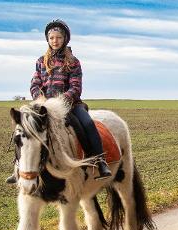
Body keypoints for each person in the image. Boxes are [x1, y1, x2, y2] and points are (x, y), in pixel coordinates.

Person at [6, 19, 111, 184]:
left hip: (70, 105)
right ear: (48, 40)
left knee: (88, 124)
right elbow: (35, 84)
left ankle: (99, 161)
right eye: (52, 38)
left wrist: (61, 102)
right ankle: (18, 167)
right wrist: (40, 99)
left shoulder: (73, 62)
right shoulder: (41, 61)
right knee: (23, 128)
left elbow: (75, 88)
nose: (55, 41)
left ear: (65, 39)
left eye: (58, 38)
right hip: (44, 106)